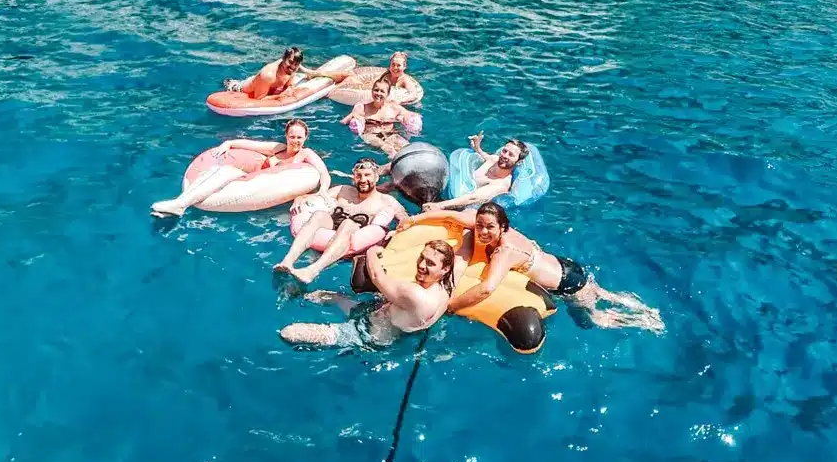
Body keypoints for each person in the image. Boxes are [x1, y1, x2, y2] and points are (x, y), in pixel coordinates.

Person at [398, 202, 664, 332]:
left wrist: (452, 306)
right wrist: (413, 220)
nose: (482, 231)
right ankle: (641, 307)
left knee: (593, 319)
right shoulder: (489, 226)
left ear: (503, 227)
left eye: (489, 227)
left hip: (567, 284)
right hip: (564, 264)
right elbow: (452, 216)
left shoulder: (505, 252)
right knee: (604, 294)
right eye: (479, 225)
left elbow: (486, 289)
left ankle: (642, 321)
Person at [279, 240, 454, 349]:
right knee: (331, 296)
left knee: (289, 333)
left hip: (364, 335)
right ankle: (302, 295)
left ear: (445, 269)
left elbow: (378, 277)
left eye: (430, 263)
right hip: (384, 324)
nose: (421, 265)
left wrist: (371, 252)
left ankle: (292, 297)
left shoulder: (415, 294)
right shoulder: (444, 292)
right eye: (422, 257)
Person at [150, 118, 330, 218]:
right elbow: (251, 145)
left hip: (262, 187)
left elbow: (323, 173)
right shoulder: (278, 148)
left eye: (299, 137)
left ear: (305, 137)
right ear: (286, 136)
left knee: (224, 175)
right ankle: (179, 205)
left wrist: (321, 192)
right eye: (292, 137)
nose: (295, 141)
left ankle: (180, 205)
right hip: (247, 178)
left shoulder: (306, 154)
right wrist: (228, 143)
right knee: (222, 171)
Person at [275, 158, 409, 284]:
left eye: (367, 175)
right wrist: (299, 198)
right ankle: (287, 261)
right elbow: (317, 197)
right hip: (331, 228)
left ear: (376, 177)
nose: (363, 180)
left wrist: (397, 231)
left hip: (351, 243)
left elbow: (406, 220)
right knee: (318, 215)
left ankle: (312, 271)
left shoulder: (386, 201)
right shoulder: (342, 190)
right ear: (354, 178)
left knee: (348, 223)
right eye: (359, 175)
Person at [422, 134, 528, 212]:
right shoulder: (494, 159)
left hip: (460, 207)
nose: (505, 156)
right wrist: (477, 147)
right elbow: (485, 156)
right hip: (451, 191)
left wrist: (440, 205)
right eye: (504, 151)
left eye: (511, 155)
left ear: (518, 162)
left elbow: (473, 197)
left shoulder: (501, 184)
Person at [227, 47, 348, 100]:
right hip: (238, 89)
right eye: (290, 62)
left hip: (266, 87)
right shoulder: (268, 74)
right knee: (231, 84)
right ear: (283, 59)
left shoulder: (293, 67)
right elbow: (259, 99)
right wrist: (281, 95)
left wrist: (290, 87)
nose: (293, 67)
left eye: (296, 64)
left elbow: (311, 73)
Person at [340, 77, 414, 159]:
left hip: (391, 134)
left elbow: (409, 114)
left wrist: (407, 115)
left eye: (382, 91)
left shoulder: (393, 107)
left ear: (388, 94)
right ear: (372, 91)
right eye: (376, 90)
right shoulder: (363, 107)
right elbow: (343, 122)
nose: (378, 93)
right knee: (389, 149)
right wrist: (353, 115)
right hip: (371, 135)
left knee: (408, 148)